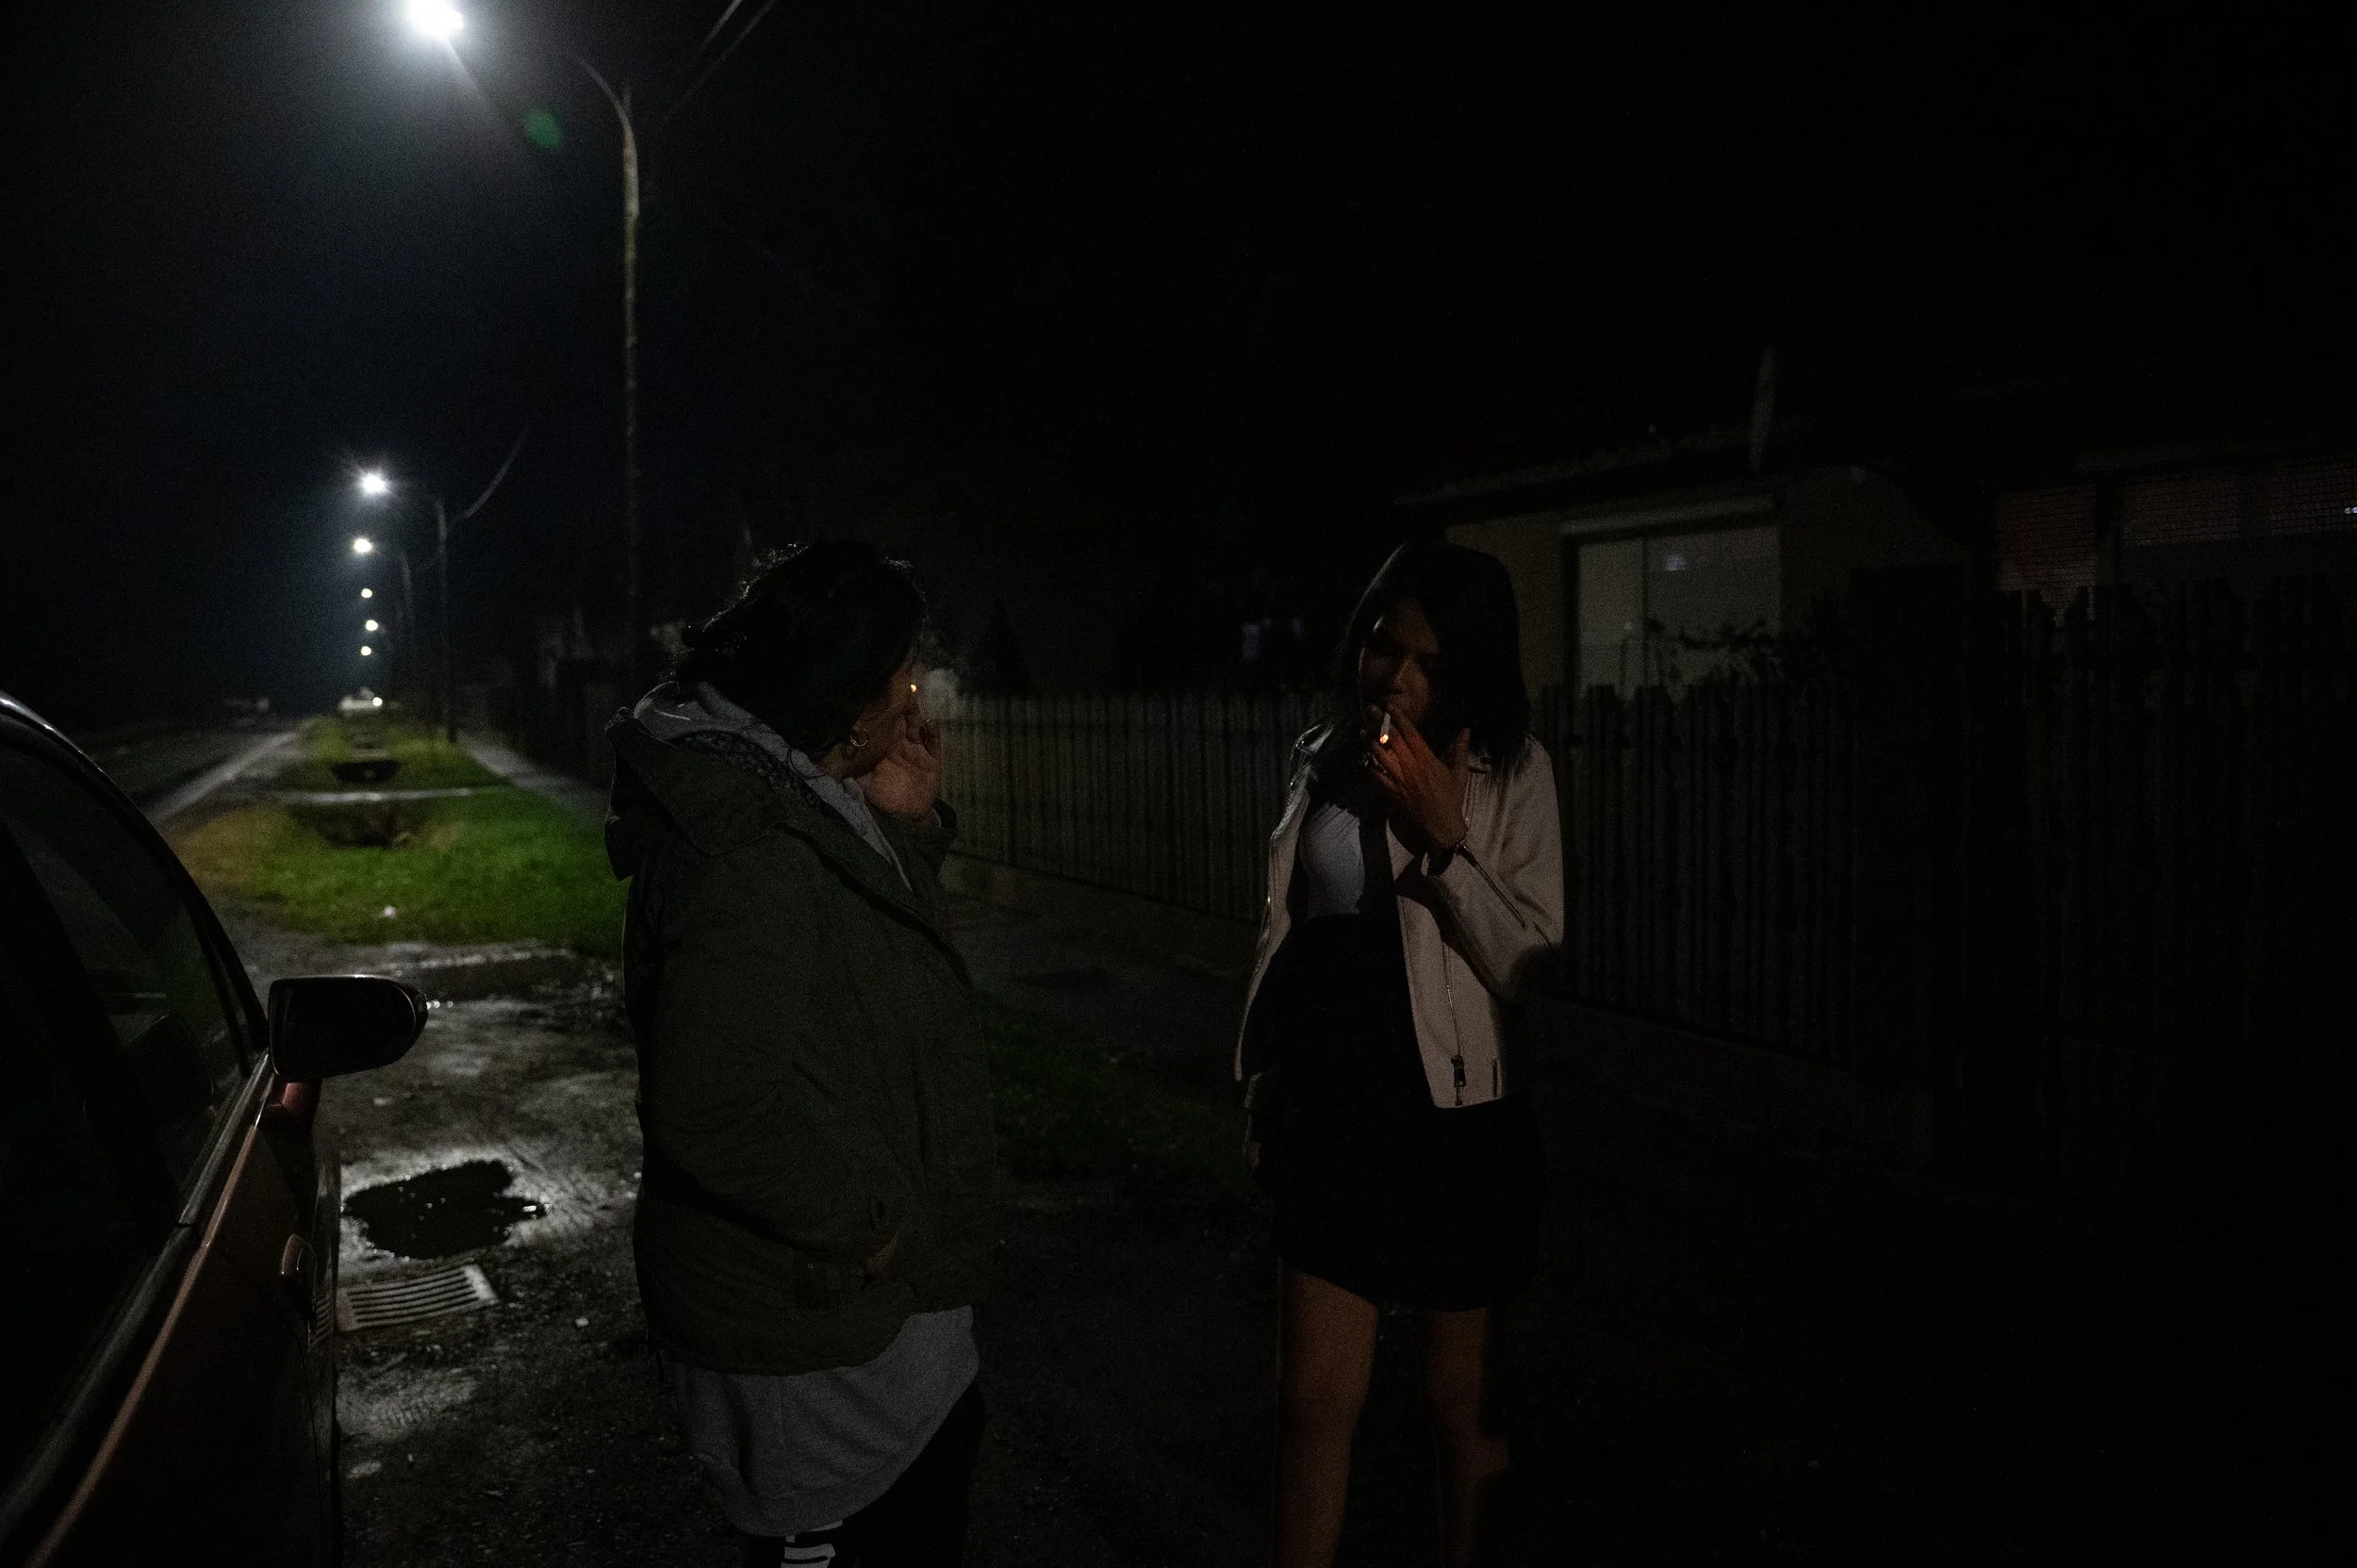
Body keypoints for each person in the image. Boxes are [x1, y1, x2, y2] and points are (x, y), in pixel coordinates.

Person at [604, 541, 996, 1568]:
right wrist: (872, 1223)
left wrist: (905, 837)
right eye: (902, 668)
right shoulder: (750, 845)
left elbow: (861, 990)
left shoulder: (805, 795)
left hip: (878, 1329)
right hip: (812, 1338)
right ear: (849, 698)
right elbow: (717, 1105)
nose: (916, 688)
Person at [1238, 538, 1563, 1568]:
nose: (1398, 676)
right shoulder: (1320, 755)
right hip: (1334, 1101)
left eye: (1428, 659)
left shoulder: (1511, 768)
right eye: (1384, 646)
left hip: (1456, 1113)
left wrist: (1444, 837)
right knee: (1312, 1401)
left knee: (1451, 1406)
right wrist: (1262, 1071)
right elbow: (1285, 930)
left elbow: (1527, 960)